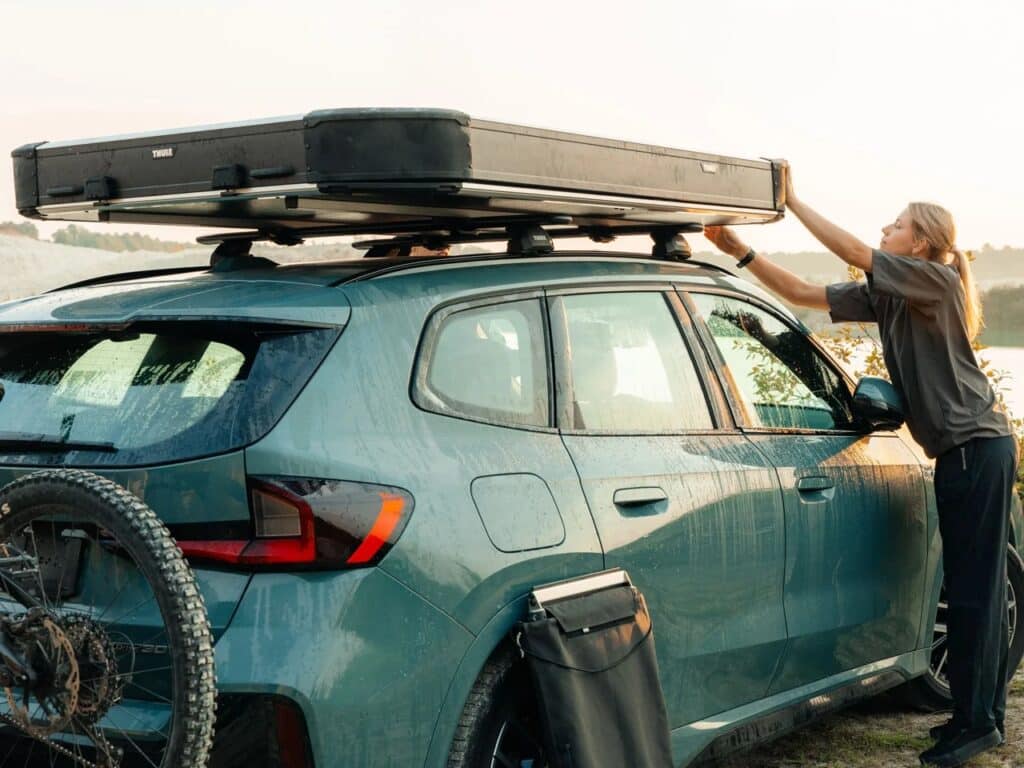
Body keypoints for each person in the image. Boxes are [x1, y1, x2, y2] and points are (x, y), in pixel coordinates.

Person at [704, 163, 1019, 768]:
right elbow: (801, 293)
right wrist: (738, 251)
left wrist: (794, 201)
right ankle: (973, 718)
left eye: (895, 225)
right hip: (964, 453)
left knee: (974, 591)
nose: (884, 230)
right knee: (969, 587)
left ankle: (979, 723)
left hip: (978, 448)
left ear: (920, 243)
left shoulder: (935, 280)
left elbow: (853, 252)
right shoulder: (890, 294)